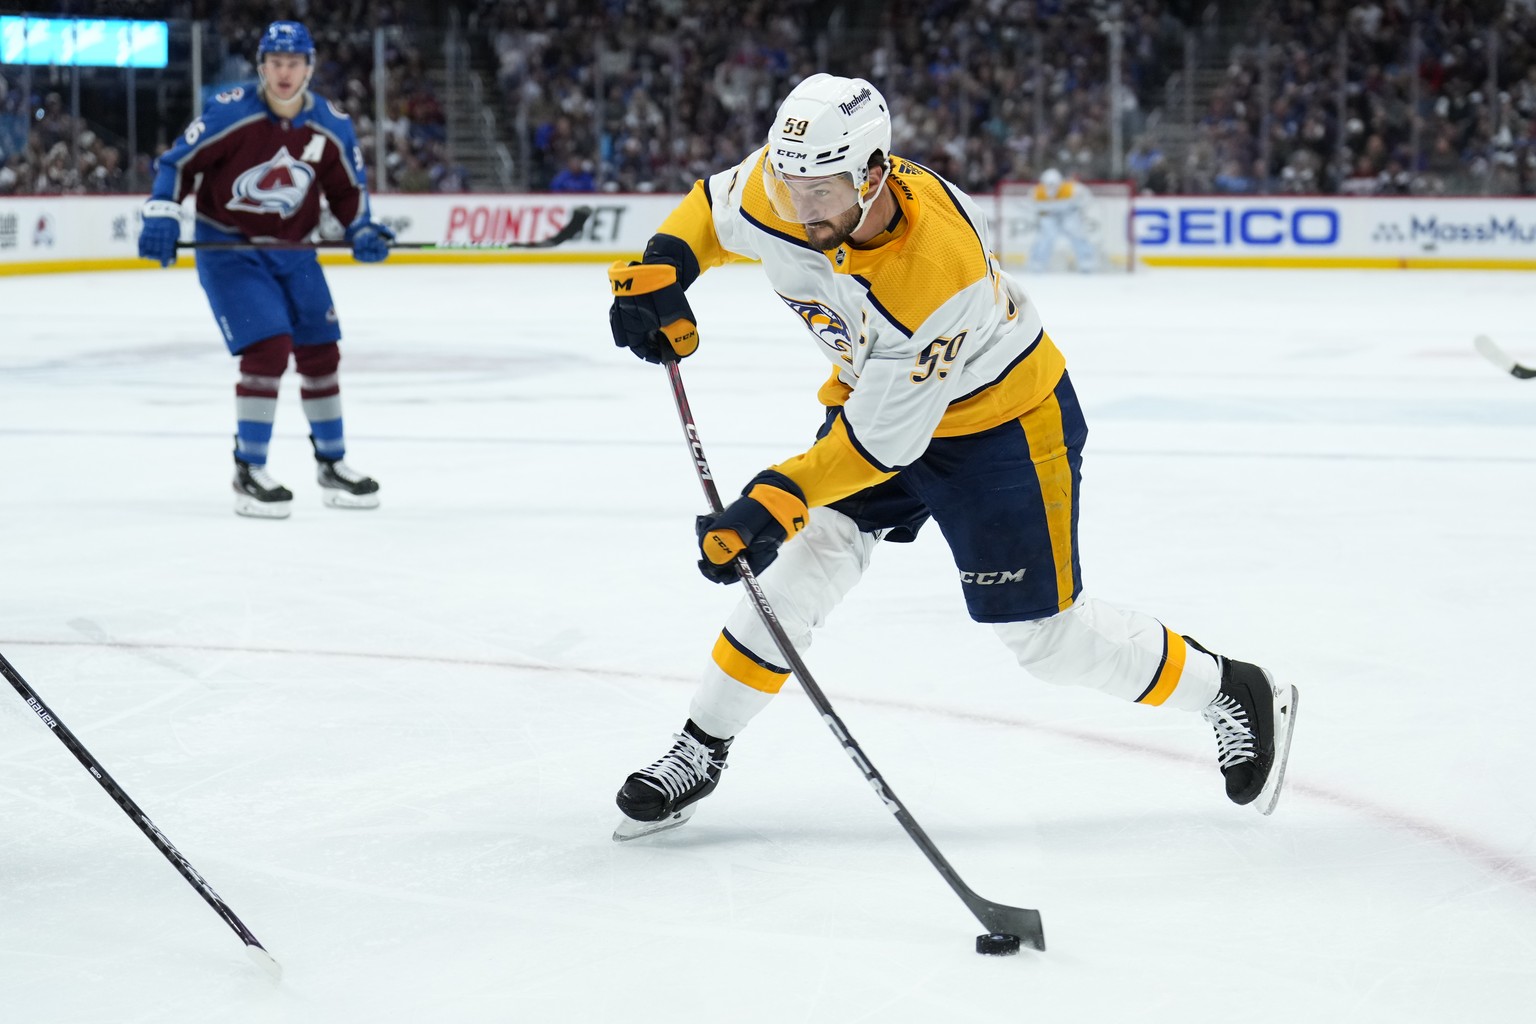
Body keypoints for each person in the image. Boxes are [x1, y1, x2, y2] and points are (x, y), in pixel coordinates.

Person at [605, 73, 1299, 841]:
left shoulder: (937, 269)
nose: (801, 211)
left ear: (873, 176)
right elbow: (711, 208)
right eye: (789, 183)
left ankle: (1231, 690)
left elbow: (880, 445)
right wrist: (668, 266)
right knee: (800, 569)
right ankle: (700, 748)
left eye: (822, 193)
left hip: (999, 425)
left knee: (1046, 639)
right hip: (876, 401)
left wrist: (775, 495)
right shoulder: (787, 183)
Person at [138, 20, 390, 519]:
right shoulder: (232, 113)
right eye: (275, 63)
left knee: (321, 348)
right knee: (269, 346)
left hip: (294, 250)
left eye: (293, 63)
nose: (283, 72)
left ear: (309, 68)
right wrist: (163, 211)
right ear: (261, 68)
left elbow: (347, 193)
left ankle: (332, 464)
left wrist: (361, 228)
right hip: (229, 250)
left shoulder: (329, 125)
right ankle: (249, 469)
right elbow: (177, 164)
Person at [1026, 168, 1099, 273]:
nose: (1051, 188)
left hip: (1068, 215)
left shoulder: (1071, 189)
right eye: (1048, 185)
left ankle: (1086, 261)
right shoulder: (1037, 192)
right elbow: (1032, 206)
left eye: (1054, 185)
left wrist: (1079, 209)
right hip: (1049, 217)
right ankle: (1038, 263)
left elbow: (1086, 197)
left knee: (1076, 234)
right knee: (1046, 237)